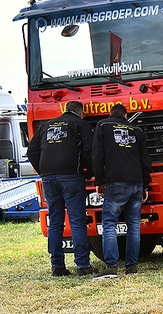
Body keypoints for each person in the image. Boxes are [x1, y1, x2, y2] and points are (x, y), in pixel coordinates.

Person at [27, 100, 97, 277]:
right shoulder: (81, 124)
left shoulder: (46, 126)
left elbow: (31, 151)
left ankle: (57, 266)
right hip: (72, 176)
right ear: (81, 113)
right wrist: (89, 172)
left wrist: (43, 170)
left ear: (64, 110)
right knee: (77, 221)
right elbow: (89, 150)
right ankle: (82, 265)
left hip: (48, 178)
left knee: (56, 222)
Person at [91, 103, 152, 279]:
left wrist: (99, 180)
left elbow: (97, 156)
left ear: (111, 114)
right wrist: (145, 185)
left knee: (109, 223)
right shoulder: (136, 130)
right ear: (126, 116)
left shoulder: (103, 125)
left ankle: (111, 266)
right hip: (136, 182)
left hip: (115, 181)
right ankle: (131, 265)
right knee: (134, 224)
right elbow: (145, 159)